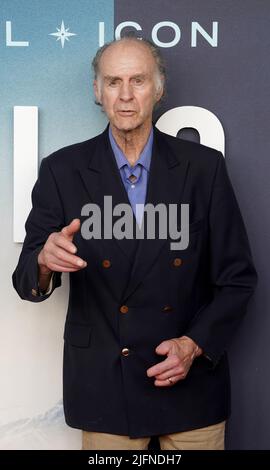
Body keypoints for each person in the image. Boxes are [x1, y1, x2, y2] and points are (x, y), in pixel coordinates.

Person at [12, 36, 257, 450]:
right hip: (108, 388)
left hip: (191, 386)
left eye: (138, 81)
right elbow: (25, 281)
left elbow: (237, 279)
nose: (125, 96)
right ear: (97, 90)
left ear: (158, 89)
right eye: (113, 82)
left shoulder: (203, 169)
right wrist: (43, 260)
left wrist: (193, 345)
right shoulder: (62, 170)